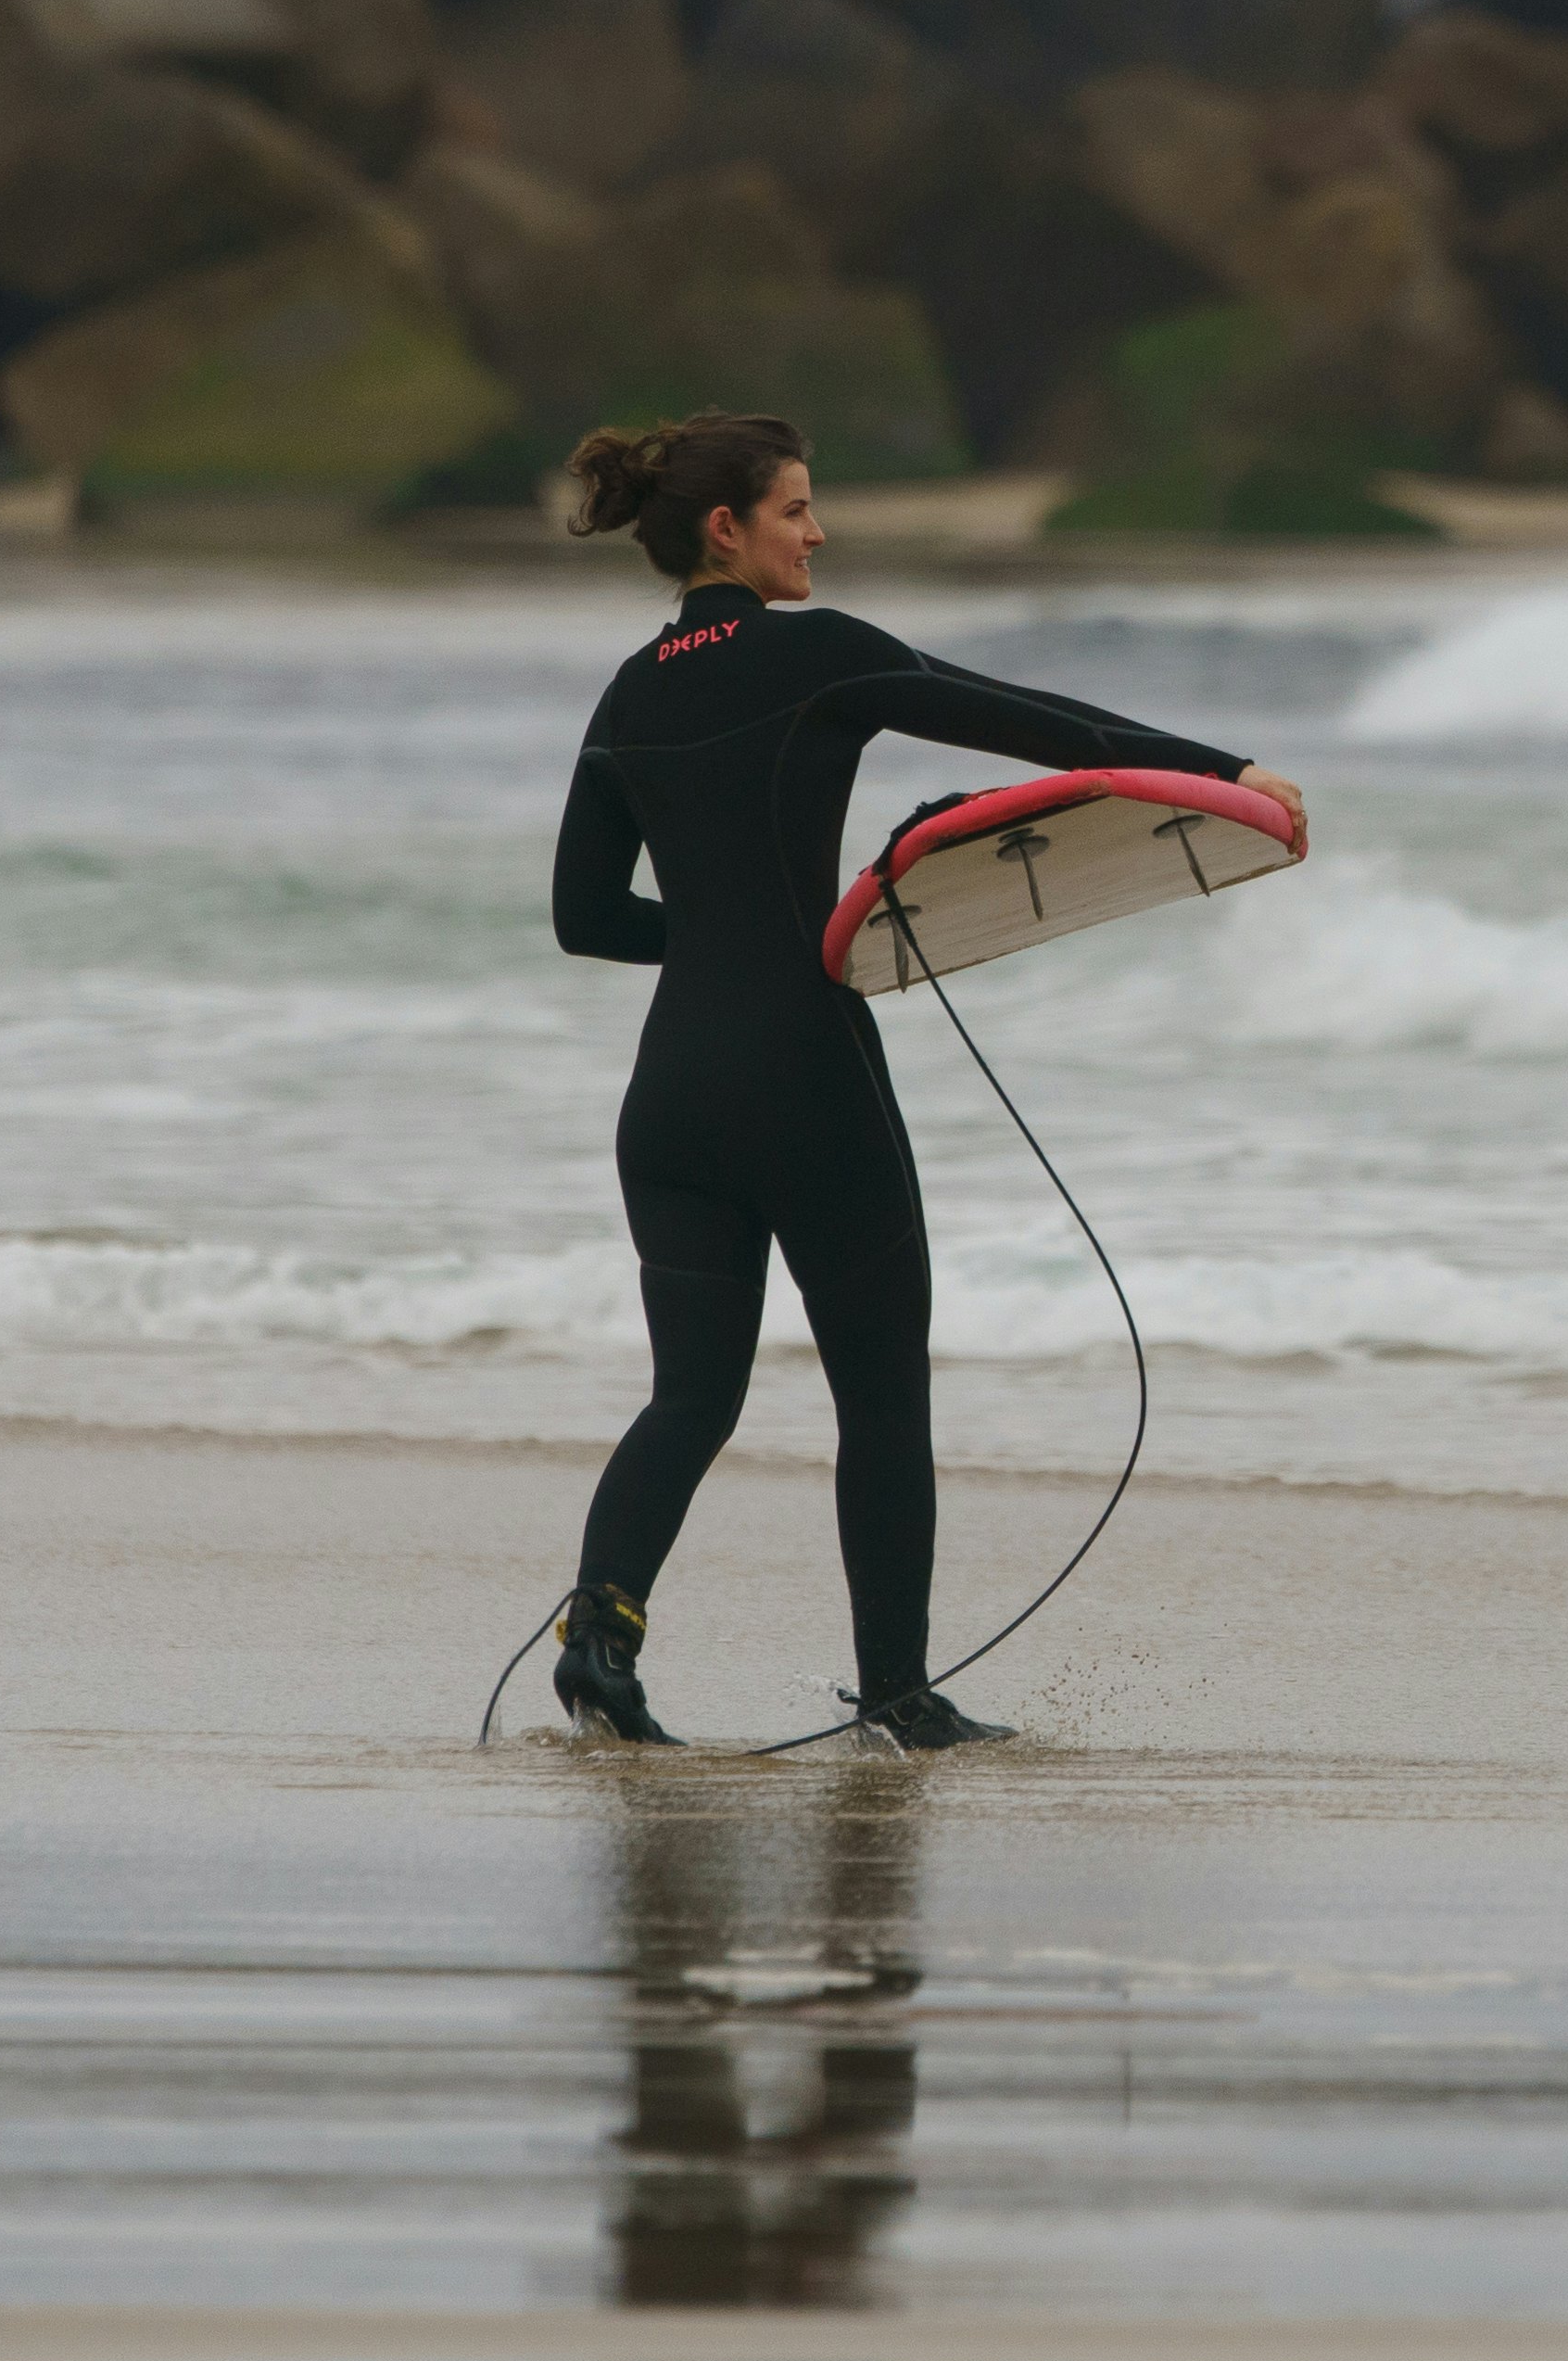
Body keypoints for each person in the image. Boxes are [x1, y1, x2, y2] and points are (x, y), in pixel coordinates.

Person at [541, 410, 1301, 1749]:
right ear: (729, 529)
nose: (817, 533)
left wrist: (730, 940)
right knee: (882, 1393)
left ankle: (600, 1638)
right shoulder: (816, 654)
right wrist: (1225, 772)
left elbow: (585, 918)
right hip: (805, 1076)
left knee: (691, 1396)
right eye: (796, 510)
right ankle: (897, 1694)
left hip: (672, 1101)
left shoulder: (629, 692)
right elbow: (1023, 722)